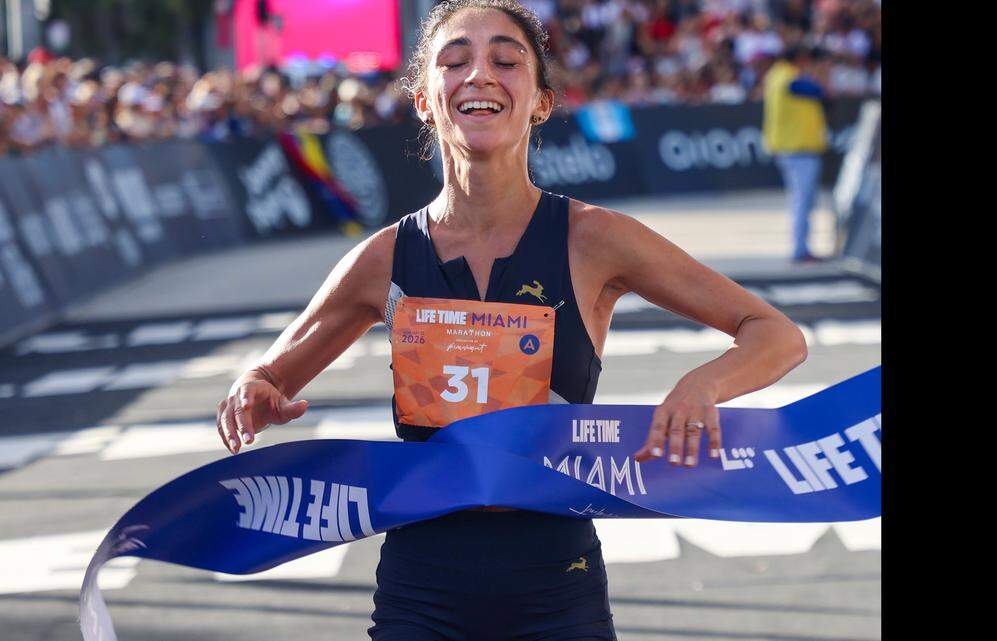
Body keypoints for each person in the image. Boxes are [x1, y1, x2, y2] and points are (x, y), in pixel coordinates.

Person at [214, 1, 807, 639]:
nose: (480, 76)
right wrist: (254, 391)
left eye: (505, 60)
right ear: (423, 100)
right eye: (455, 61)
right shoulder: (383, 257)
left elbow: (775, 333)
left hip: (558, 589)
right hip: (422, 594)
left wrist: (704, 386)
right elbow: (269, 376)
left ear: (542, 101)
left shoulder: (593, 239)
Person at [763, 44, 829, 263]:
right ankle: (800, 250)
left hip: (792, 147)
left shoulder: (776, 74)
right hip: (798, 148)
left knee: (801, 200)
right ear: (799, 58)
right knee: (803, 200)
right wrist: (820, 72)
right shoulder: (789, 77)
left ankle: (802, 247)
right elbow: (818, 91)